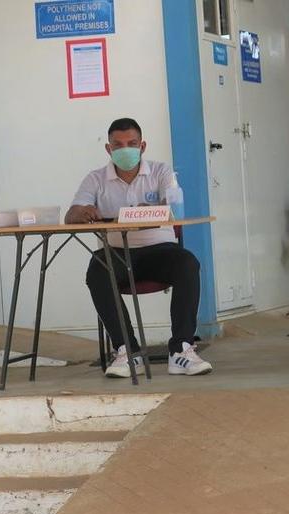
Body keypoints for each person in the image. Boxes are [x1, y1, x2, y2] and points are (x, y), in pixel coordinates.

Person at [66, 117, 212, 378]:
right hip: (117, 253)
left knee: (188, 263)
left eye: (132, 144)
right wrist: (82, 211)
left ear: (142, 146)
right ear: (109, 149)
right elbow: (71, 215)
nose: (125, 149)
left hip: (160, 250)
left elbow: (174, 206)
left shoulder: (161, 171)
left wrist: (154, 210)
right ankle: (127, 351)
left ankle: (181, 350)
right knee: (97, 269)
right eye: (118, 145)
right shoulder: (95, 178)